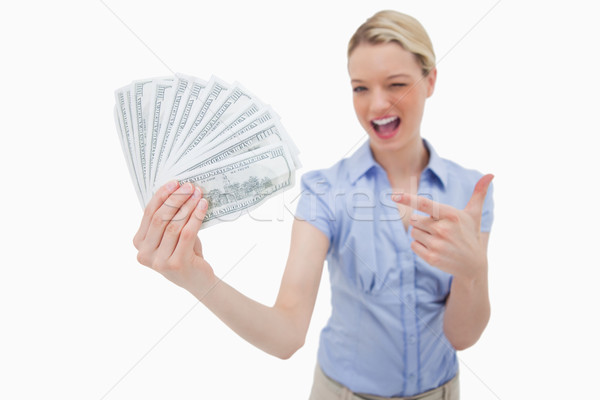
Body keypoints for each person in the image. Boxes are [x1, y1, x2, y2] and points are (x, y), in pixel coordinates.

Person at [132, 10, 494, 400]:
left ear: (430, 80)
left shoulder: (469, 193)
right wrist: (196, 278)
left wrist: (474, 270)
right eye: (360, 88)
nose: (377, 105)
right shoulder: (325, 191)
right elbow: (286, 334)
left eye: (397, 84)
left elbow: (462, 337)